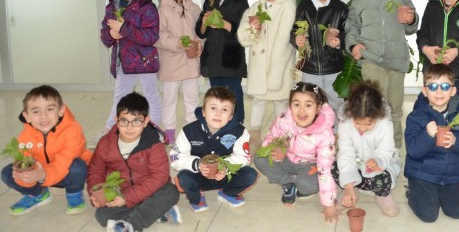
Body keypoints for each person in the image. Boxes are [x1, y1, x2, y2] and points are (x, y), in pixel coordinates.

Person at [345, 0, 418, 149]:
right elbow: (352, 25)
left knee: (395, 107)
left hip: (396, 60)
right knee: (374, 105)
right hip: (371, 58)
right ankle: (374, 146)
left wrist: (411, 19)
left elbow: (412, 26)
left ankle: (394, 147)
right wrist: (353, 45)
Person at [88, 92, 180, 232]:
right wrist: (96, 194)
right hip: (121, 193)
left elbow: (159, 177)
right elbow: (95, 171)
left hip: (151, 192)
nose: (129, 127)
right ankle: (156, 213)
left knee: (171, 191)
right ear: (116, 120)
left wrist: (128, 197)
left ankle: (132, 225)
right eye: (124, 121)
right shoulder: (105, 143)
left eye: (136, 121)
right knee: (101, 215)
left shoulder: (154, 144)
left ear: (146, 121)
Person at [0, 85, 93, 216]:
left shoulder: (73, 130)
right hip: (40, 174)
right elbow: (26, 164)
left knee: (78, 166)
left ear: (61, 110)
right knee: (7, 173)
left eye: (49, 109)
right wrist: (25, 176)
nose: (43, 116)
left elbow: (64, 161)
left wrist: (44, 175)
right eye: (36, 111)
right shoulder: (25, 137)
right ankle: (39, 194)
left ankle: (74, 193)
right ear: (26, 116)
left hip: (67, 173)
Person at [253, 83, 338, 223]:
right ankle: (288, 183)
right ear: (290, 105)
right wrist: (277, 148)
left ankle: (297, 182)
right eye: (296, 104)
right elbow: (270, 137)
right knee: (259, 157)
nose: (301, 111)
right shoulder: (283, 120)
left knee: (307, 186)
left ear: (318, 108)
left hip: (310, 165)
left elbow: (325, 170)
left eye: (308, 105)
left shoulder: (324, 133)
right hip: (287, 159)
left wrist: (329, 205)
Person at [404, 64, 459, 223]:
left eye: (445, 87)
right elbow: (413, 150)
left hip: (449, 177)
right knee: (429, 216)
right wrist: (427, 135)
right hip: (423, 175)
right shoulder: (416, 117)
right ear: (425, 91)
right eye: (432, 87)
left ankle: (439, 193)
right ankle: (413, 192)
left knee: (458, 212)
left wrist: (456, 140)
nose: (439, 91)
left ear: (453, 91)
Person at [237, 0, 296, 149]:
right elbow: (243, 35)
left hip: (279, 67)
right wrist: (252, 29)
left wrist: (274, 75)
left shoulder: (288, 6)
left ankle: (281, 138)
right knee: (258, 100)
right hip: (259, 66)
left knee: (280, 101)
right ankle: (254, 135)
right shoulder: (257, 6)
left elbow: (283, 42)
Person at [171, 87, 258, 212]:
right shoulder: (189, 131)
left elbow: (244, 157)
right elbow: (175, 157)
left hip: (225, 176)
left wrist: (225, 167)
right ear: (203, 112)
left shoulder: (239, 132)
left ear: (231, 116)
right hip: (198, 176)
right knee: (183, 178)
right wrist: (197, 164)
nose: (218, 113)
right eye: (213, 108)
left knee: (250, 174)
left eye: (224, 109)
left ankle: (227, 193)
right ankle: (197, 196)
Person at [100, 0, 161, 133]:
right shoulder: (112, 5)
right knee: (119, 97)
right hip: (123, 62)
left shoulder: (148, 7)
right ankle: (110, 131)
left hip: (145, 61)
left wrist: (124, 29)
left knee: (151, 95)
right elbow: (105, 36)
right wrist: (111, 35)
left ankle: (155, 131)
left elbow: (152, 36)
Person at [334, 80, 401, 217]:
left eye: (368, 124)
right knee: (334, 167)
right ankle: (352, 189)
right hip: (356, 164)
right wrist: (348, 186)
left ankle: (382, 194)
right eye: (358, 123)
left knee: (381, 178)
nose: (362, 128)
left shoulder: (385, 124)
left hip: (377, 166)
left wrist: (378, 161)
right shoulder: (345, 123)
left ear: (378, 115)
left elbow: (386, 150)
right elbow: (346, 153)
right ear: (350, 114)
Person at [292, 0, 349, 118]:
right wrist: (297, 39)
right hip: (310, 66)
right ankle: (314, 129)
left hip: (333, 66)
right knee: (311, 101)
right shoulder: (304, 6)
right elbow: (295, 29)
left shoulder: (341, 8)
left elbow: (349, 33)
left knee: (336, 101)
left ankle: (336, 129)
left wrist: (339, 41)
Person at [195, 0, 249, 124]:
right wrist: (204, 22)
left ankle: (237, 122)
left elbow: (242, 31)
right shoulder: (208, 3)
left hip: (232, 57)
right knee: (216, 94)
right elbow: (200, 32)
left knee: (234, 92)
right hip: (213, 58)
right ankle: (217, 121)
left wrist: (223, 24)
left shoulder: (241, 3)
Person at [155, 0, 203, 145]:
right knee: (169, 99)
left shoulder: (194, 8)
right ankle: (169, 130)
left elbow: (201, 32)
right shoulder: (162, 10)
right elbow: (158, 36)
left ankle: (192, 129)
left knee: (192, 97)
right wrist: (178, 43)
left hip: (191, 62)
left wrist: (199, 45)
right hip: (171, 63)